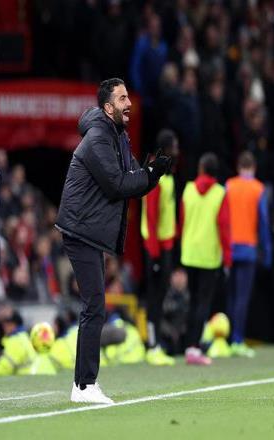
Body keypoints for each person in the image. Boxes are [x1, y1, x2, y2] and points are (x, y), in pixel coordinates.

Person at [56, 78, 171, 404]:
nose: (128, 103)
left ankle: (83, 384)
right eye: (122, 99)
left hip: (89, 231)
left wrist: (153, 172)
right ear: (108, 107)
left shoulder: (118, 135)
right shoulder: (98, 138)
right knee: (94, 305)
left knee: (95, 305)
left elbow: (135, 181)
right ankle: (84, 386)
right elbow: (118, 185)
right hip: (79, 230)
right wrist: (149, 174)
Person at [179, 152, 231, 365]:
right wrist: (227, 258)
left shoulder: (189, 189)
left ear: (201, 169)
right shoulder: (220, 193)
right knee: (203, 303)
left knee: (192, 301)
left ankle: (188, 347)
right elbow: (224, 228)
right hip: (209, 256)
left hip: (189, 253)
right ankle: (194, 347)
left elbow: (182, 221)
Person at [225, 151, 271, 357]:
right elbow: (264, 223)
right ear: (254, 167)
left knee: (230, 296)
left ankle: (226, 339)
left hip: (229, 248)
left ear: (238, 167)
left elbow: (222, 218)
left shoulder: (229, 185)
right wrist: (267, 253)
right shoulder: (258, 189)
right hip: (248, 249)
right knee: (242, 297)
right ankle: (237, 339)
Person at [140, 129, 179, 366]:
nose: (178, 150)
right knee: (154, 297)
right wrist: (154, 254)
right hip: (154, 247)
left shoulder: (168, 174)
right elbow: (152, 217)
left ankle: (156, 344)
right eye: (175, 145)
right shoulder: (156, 175)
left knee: (160, 295)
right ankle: (152, 344)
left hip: (165, 245)